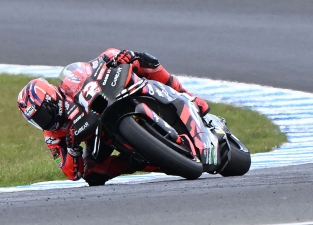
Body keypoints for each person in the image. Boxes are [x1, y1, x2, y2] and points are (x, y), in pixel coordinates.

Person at [17, 49, 210, 186]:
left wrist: (117, 57)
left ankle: (188, 95)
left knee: (142, 60)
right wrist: (73, 150)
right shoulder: (52, 134)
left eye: (42, 114)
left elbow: (99, 61)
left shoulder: (70, 82)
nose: (43, 121)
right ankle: (139, 160)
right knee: (92, 175)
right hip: (101, 139)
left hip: (112, 97)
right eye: (36, 120)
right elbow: (71, 173)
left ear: (51, 99)